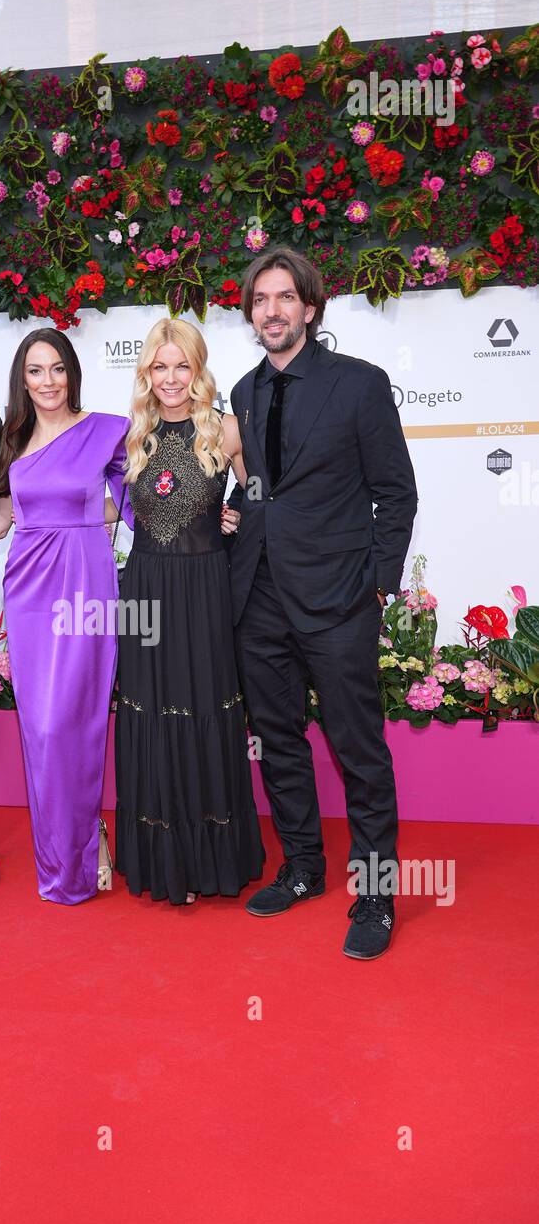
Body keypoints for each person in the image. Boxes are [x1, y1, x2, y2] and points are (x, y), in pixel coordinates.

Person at [227, 247, 418, 958]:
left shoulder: (359, 384)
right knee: (278, 741)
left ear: (309, 307)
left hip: (338, 599)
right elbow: (261, 486)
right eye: (260, 300)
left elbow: (396, 492)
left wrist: (377, 582)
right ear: (250, 315)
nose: (271, 310)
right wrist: (236, 513)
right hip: (260, 596)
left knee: (357, 749)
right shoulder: (243, 392)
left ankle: (376, 895)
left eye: (284, 297)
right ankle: (304, 866)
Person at [114, 317, 265, 906]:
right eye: (160, 366)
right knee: (150, 710)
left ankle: (211, 857)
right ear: (146, 373)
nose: (172, 378)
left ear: (199, 370)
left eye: (183, 366)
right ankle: (161, 857)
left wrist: (238, 514)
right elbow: (103, 506)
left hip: (205, 589)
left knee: (206, 705)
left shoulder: (226, 429)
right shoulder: (130, 434)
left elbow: (261, 494)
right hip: (146, 588)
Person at [0, 329, 131, 905]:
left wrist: (85, 517)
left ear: (72, 372)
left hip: (85, 584)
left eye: (56, 368)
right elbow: (1, 521)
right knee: (41, 728)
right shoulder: (10, 440)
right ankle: (65, 852)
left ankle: (83, 845)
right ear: (22, 381)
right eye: (35, 371)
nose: (47, 381)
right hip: (28, 591)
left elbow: (136, 503)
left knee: (76, 720)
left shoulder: (107, 431)